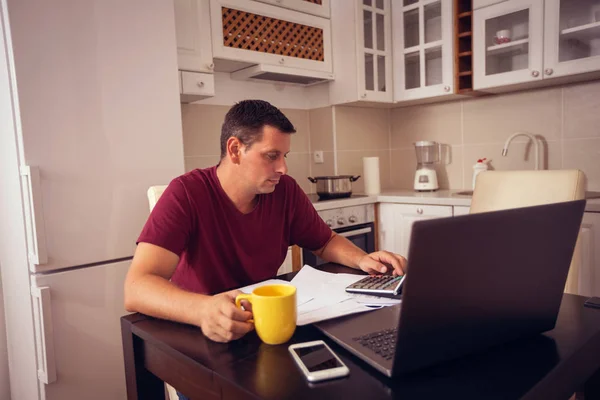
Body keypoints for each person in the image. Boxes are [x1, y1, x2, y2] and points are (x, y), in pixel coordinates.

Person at [124, 100, 407, 344]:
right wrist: (203, 310)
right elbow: (137, 287)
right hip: (204, 332)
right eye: (272, 156)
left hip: (267, 328)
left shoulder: (285, 191)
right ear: (235, 149)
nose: (283, 168)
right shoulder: (185, 194)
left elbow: (325, 242)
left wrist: (363, 260)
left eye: (284, 156)